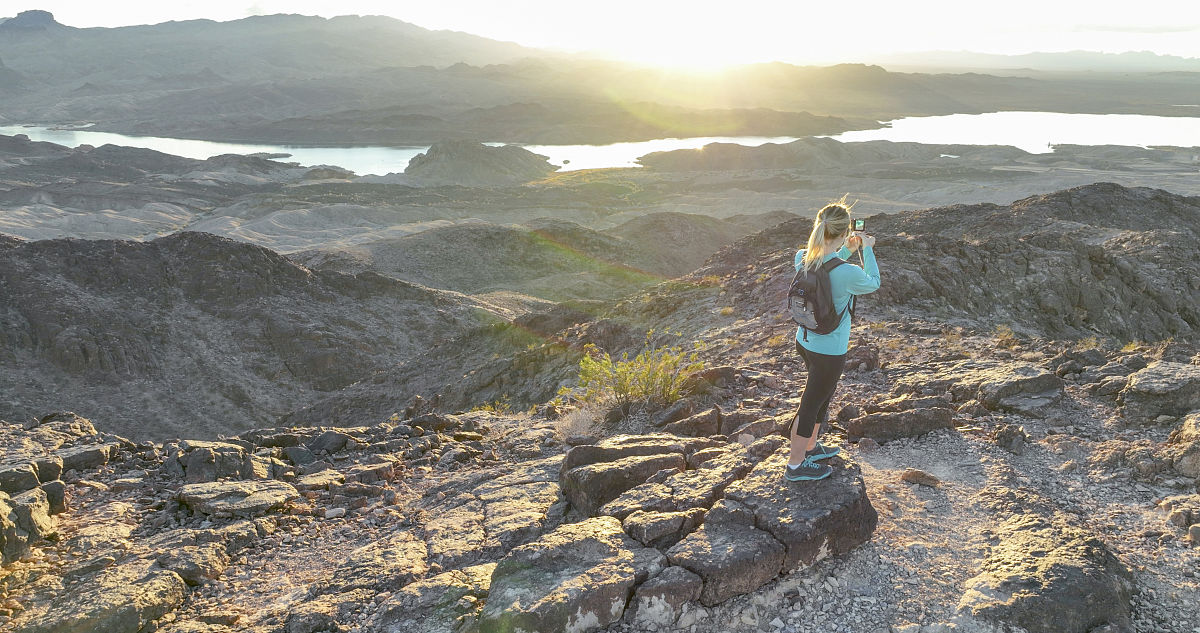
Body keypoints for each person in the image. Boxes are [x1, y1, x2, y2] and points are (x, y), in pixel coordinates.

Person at [786, 198, 880, 482]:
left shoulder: (802, 257)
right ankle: (795, 465)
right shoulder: (850, 274)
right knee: (811, 403)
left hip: (805, 340)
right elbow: (873, 282)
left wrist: (847, 249)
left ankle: (811, 448)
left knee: (820, 398)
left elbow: (828, 269)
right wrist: (867, 249)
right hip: (830, 350)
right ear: (842, 233)